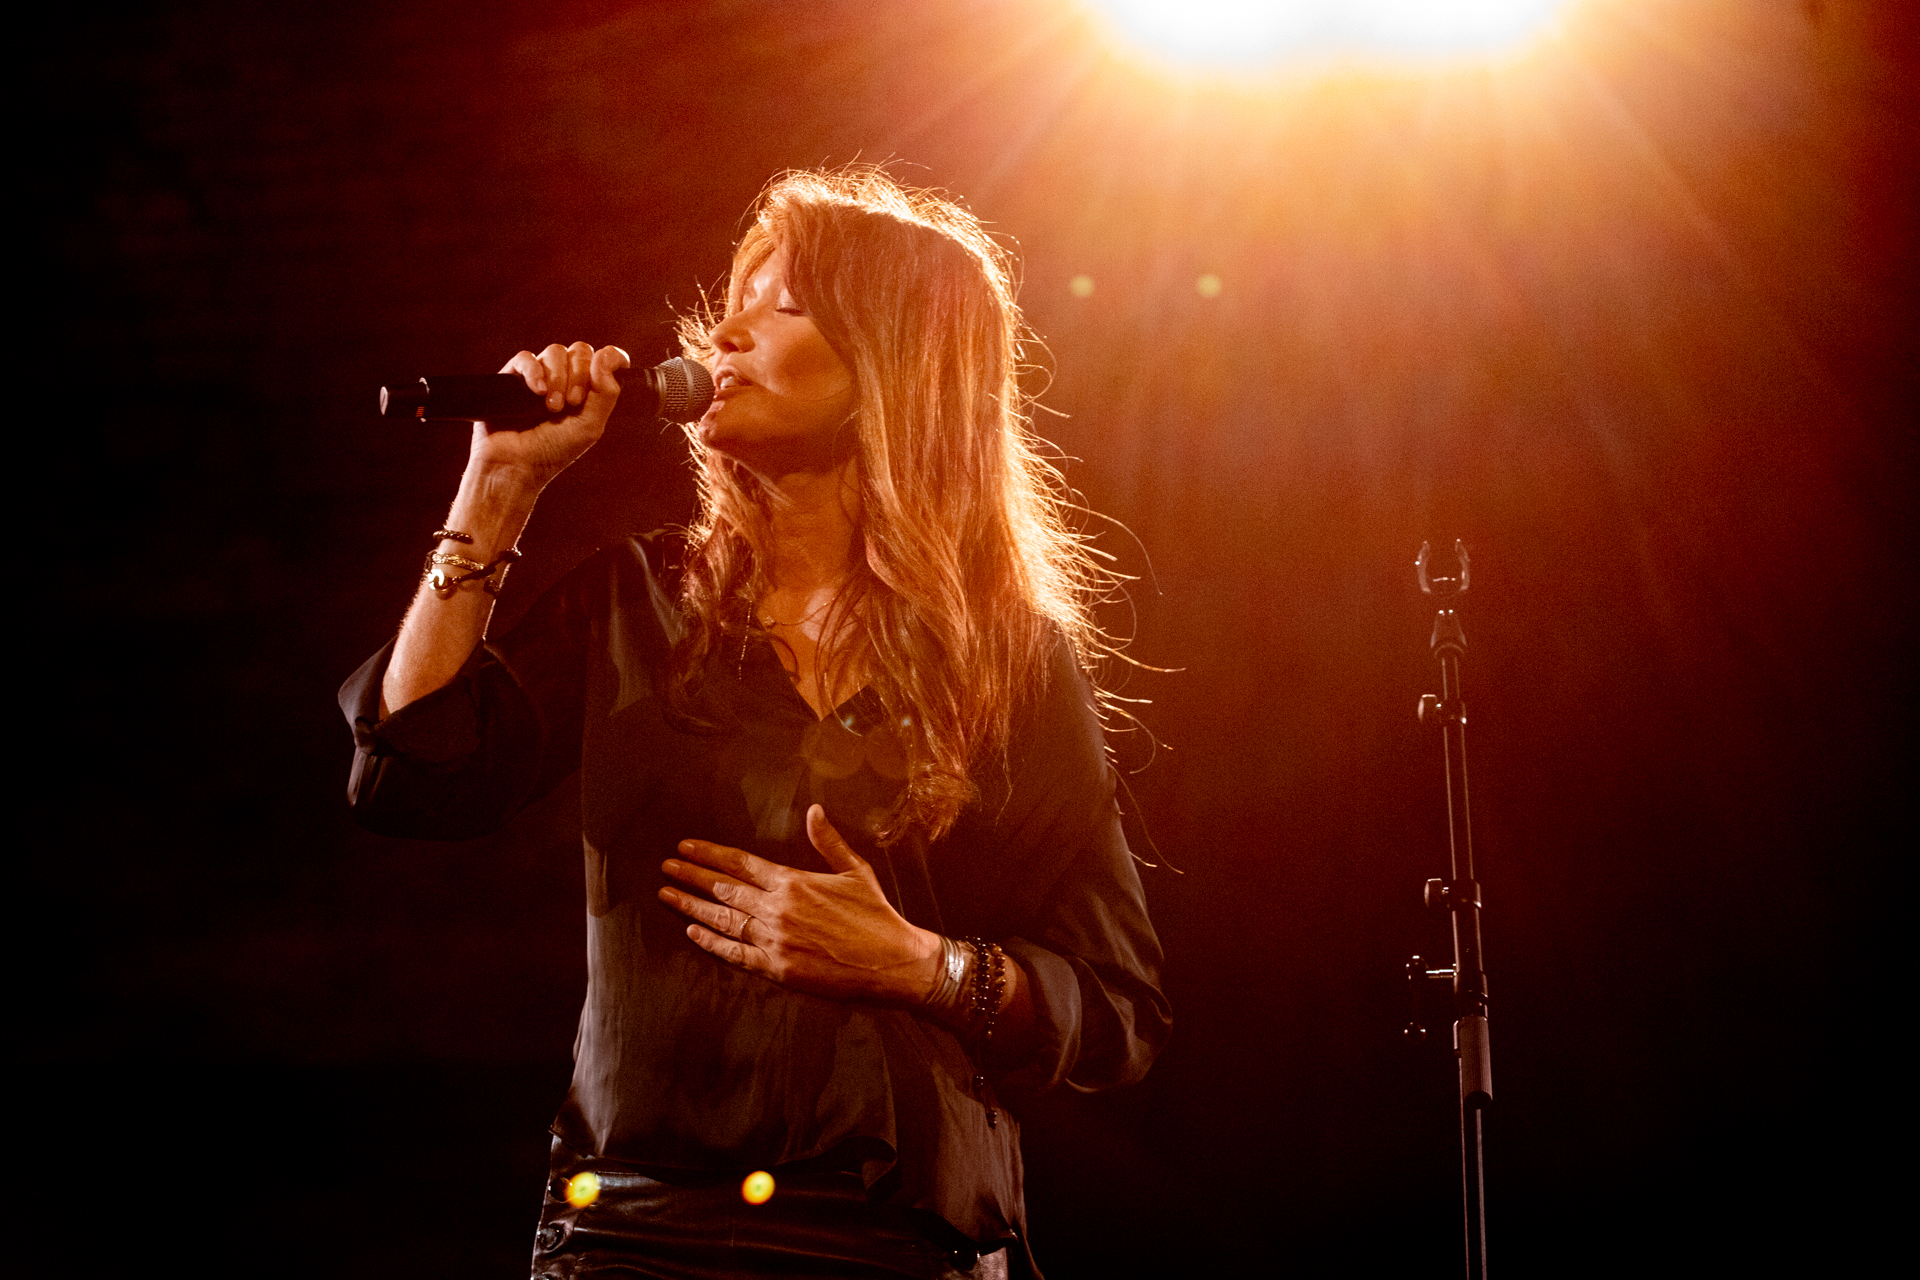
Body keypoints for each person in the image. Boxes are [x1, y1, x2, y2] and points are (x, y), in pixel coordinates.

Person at [340, 167, 1169, 1280]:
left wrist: (924, 967)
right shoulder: (636, 601)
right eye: (730, 298)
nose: (722, 330)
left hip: (902, 1245)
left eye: (781, 304)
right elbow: (411, 770)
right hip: (634, 1239)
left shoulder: (1008, 659)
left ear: (894, 364)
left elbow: (1115, 1004)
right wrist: (498, 489)